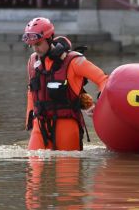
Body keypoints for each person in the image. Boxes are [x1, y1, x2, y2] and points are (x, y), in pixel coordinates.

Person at [23, 17, 108, 151]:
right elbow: (32, 90)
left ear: (49, 38)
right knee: (33, 167)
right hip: (40, 124)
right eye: (32, 45)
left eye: (38, 44)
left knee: (67, 169)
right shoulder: (32, 61)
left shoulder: (73, 61)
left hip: (67, 123)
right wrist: (29, 118)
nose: (35, 49)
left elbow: (103, 79)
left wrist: (100, 106)